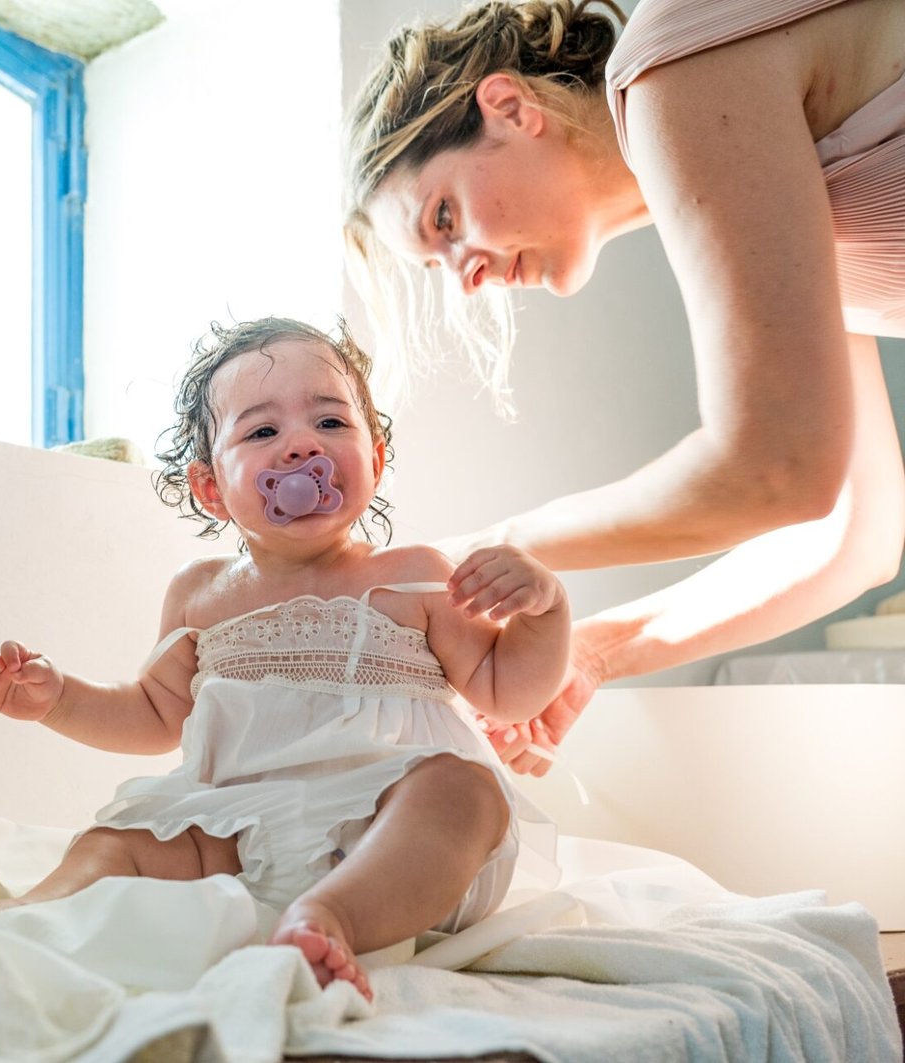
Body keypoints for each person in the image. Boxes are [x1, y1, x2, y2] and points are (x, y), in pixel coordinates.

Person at [343, 0, 905, 775]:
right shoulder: (764, 202)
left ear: (509, 107)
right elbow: (853, 538)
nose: (465, 276)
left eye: (445, 217)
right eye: (438, 266)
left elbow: (777, 469)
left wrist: (486, 550)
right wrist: (592, 653)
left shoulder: (671, 70)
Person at [0, 317, 568, 1000]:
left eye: (330, 422)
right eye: (263, 431)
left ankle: (332, 917)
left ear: (375, 457)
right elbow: (153, 712)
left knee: (463, 790)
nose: (302, 444)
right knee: (121, 835)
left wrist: (545, 611)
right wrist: (59, 698)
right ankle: (26, 913)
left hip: (387, 837)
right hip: (238, 837)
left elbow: (508, 690)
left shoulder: (415, 576)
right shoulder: (200, 593)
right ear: (211, 487)